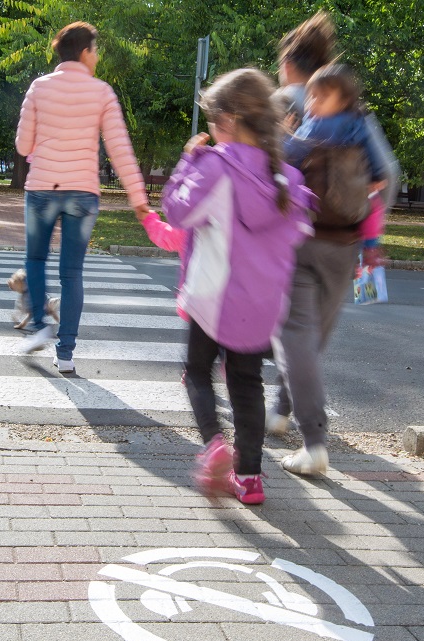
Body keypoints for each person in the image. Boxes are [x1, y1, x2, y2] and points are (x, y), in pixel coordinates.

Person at [148, 68, 314, 505]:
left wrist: (189, 161)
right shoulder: (290, 181)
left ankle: (214, 445)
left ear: (229, 120)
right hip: (261, 304)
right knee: (247, 385)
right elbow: (296, 236)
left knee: (197, 372)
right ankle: (250, 478)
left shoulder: (216, 166)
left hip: (212, 297)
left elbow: (178, 214)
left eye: (211, 119)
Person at [268, 13, 397, 477]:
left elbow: (272, 161)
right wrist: (370, 232)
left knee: (293, 334)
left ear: (288, 63)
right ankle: (281, 410)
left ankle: (312, 437)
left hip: (299, 238)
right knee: (311, 336)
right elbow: (387, 176)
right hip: (346, 243)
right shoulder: (360, 116)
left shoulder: (287, 103)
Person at [14, 21, 150, 373]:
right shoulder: (102, 92)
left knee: (35, 261)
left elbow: (22, 145)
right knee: (72, 273)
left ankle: (40, 324)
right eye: (96, 49)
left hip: (42, 188)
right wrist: (137, 197)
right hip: (82, 193)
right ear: (86, 52)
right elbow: (119, 148)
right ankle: (67, 353)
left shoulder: (38, 88)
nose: (98, 55)